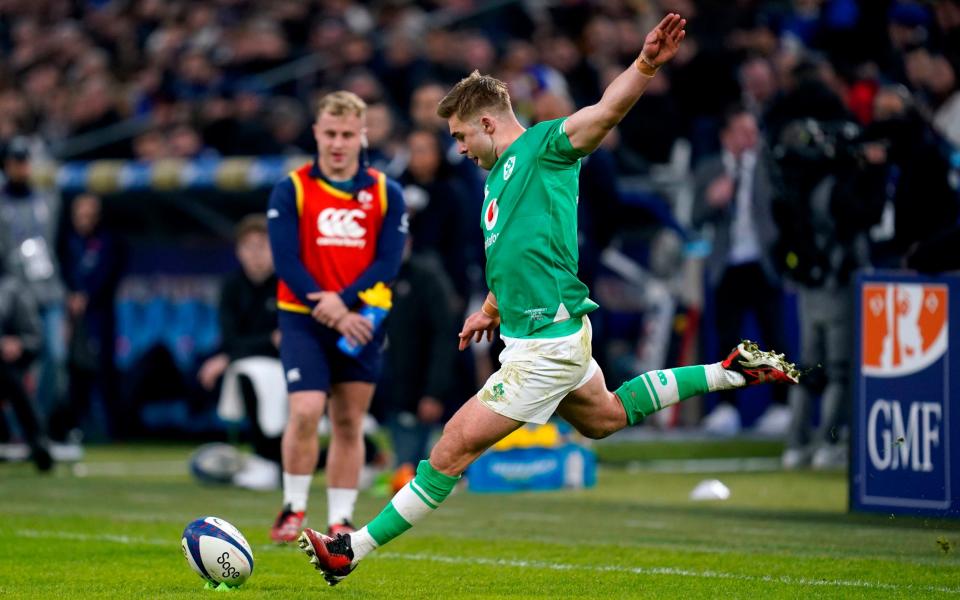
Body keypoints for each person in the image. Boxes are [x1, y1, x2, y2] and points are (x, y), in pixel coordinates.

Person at [298, 14, 799, 586]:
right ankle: (730, 371)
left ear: (487, 123)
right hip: (539, 336)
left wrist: (646, 65)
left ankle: (350, 551)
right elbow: (514, 257)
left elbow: (604, 112)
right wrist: (488, 311)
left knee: (450, 451)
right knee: (605, 417)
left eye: (461, 135)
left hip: (546, 346)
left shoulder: (544, 148)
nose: (457, 147)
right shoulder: (495, 180)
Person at [266, 91, 407, 542]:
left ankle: (341, 518)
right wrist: (326, 305)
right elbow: (285, 259)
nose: (338, 143)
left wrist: (343, 304)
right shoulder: (291, 188)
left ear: (362, 135)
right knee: (306, 410)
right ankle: (292, 507)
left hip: (360, 319)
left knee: (349, 420)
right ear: (316, 133)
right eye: (330, 133)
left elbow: (388, 263)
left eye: (347, 134)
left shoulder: (387, 193)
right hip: (303, 317)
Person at [692, 106, 790, 436]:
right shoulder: (710, 168)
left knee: (774, 335)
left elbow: (783, 206)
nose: (751, 138)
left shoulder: (767, 166)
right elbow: (695, 216)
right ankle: (726, 408)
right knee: (727, 339)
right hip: (727, 263)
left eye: (754, 131)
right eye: (743, 132)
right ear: (726, 135)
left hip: (762, 262)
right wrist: (712, 199)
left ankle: (782, 405)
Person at [198, 214, 284, 490]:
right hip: (246, 362)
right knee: (249, 372)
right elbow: (232, 339)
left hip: (291, 365)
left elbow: (288, 339)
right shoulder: (232, 286)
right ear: (239, 251)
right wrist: (265, 340)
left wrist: (235, 353)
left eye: (263, 246)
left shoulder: (288, 284)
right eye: (249, 247)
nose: (256, 254)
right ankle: (265, 458)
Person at [0, 136, 66, 421]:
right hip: (14, 295)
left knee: (55, 356)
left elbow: (61, 244)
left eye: (24, 161)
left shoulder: (47, 199)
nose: (21, 167)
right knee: (16, 363)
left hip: (49, 290)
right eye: (15, 162)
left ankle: (38, 423)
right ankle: (19, 427)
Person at [0, 273, 52, 471]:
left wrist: (18, 344)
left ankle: (38, 440)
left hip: (5, 368)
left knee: (12, 378)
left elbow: (35, 338)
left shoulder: (12, 290)